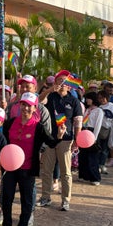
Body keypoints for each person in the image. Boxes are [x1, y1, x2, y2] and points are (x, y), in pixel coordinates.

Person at [1, 92, 62, 226]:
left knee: (26, 201)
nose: (26, 108)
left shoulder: (38, 127)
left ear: (35, 108)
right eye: (23, 104)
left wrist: (59, 136)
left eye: (29, 105)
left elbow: (51, 143)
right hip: (10, 168)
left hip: (27, 169)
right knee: (6, 198)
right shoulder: (10, 123)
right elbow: (3, 141)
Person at [37, 70, 82, 211]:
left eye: (65, 80)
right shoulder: (50, 96)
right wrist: (49, 90)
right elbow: (38, 101)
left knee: (66, 172)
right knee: (46, 171)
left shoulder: (74, 101)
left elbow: (78, 122)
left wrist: (77, 140)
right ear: (55, 82)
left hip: (66, 140)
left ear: (70, 84)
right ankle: (45, 197)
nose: (62, 83)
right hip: (50, 139)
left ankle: (65, 200)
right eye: (59, 80)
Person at [78, 91, 103, 185]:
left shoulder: (99, 111)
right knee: (83, 156)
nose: (87, 100)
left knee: (92, 157)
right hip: (84, 132)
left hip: (92, 133)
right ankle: (84, 175)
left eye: (89, 98)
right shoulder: (87, 109)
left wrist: (94, 138)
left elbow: (98, 125)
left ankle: (95, 178)